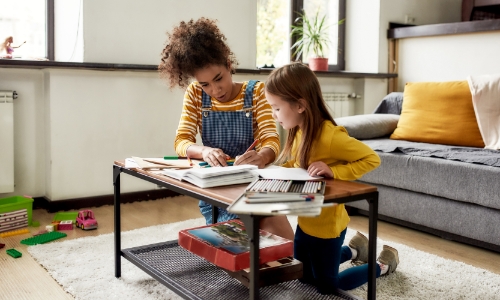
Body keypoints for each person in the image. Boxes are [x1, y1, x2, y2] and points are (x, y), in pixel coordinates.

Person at [264, 62, 400, 294]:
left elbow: (372, 159)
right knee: (304, 278)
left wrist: (334, 172)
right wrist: (269, 169)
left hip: (328, 229)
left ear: (300, 105)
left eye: (276, 108)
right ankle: (355, 250)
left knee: (328, 286)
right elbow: (297, 164)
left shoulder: (329, 136)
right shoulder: (298, 130)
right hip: (306, 223)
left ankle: (382, 265)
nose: (274, 115)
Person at [158, 18, 294, 240]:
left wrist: (261, 156)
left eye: (218, 78)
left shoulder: (257, 92)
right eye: (205, 84)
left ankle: (342, 255)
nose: (215, 89)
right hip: (216, 191)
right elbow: (181, 142)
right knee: (247, 250)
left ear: (229, 66)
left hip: (254, 186)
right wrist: (204, 152)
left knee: (284, 245)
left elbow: (271, 140)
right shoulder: (195, 94)